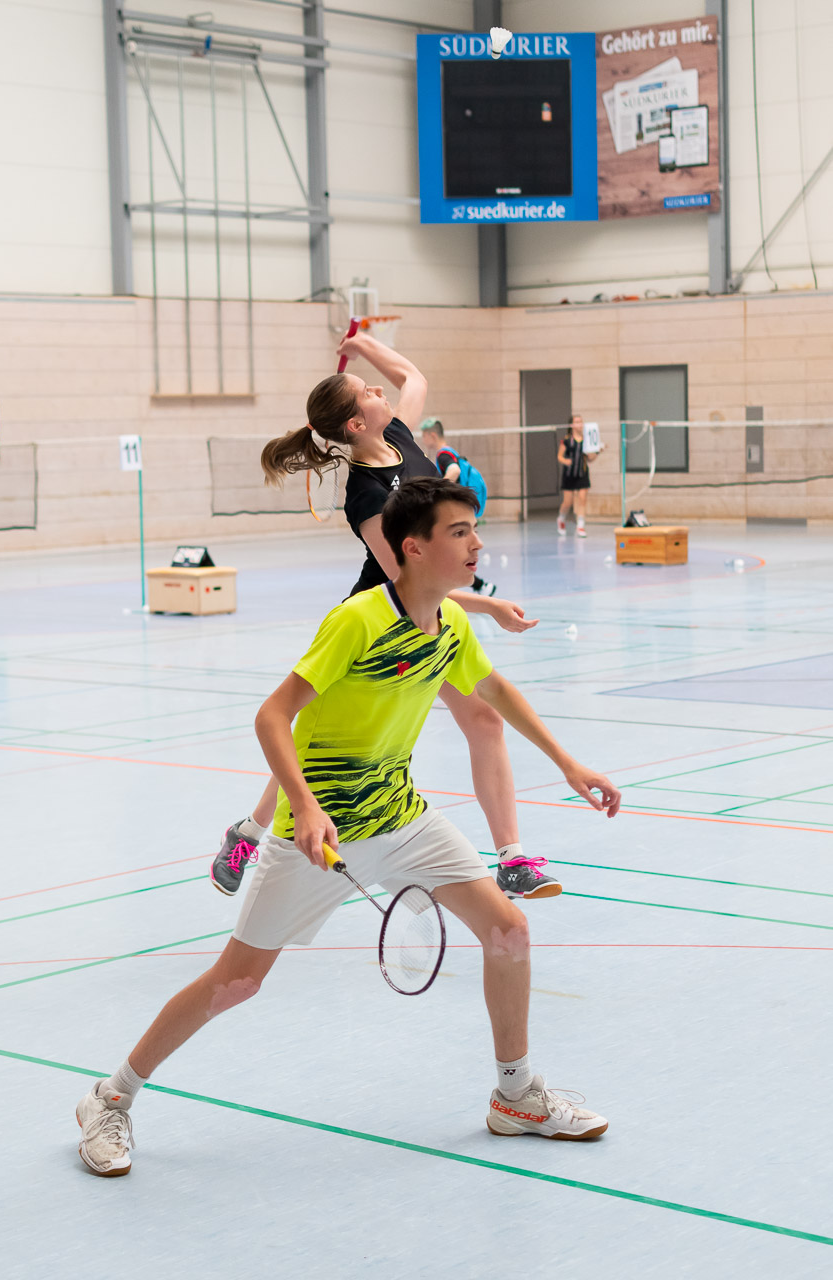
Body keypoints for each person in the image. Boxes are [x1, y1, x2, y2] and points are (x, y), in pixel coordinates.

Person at [75, 477, 621, 1178]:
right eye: (460, 532)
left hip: (403, 817)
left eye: (474, 530)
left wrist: (568, 764)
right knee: (236, 982)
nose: (477, 544)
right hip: (320, 835)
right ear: (414, 548)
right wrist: (303, 805)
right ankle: (109, 1097)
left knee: (508, 930)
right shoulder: (358, 621)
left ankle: (515, 1097)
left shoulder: (450, 625)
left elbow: (494, 690)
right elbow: (273, 715)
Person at [211, 328, 560, 903]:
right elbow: (404, 580)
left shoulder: (397, 433)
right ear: (355, 424)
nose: (380, 391)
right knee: (318, 742)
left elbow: (412, 377)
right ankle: (248, 834)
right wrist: (489, 605)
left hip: (432, 609)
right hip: (378, 622)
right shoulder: (367, 494)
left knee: (484, 721)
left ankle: (512, 859)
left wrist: (363, 342)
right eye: (367, 391)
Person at [420, 417, 493, 595]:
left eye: (424, 436)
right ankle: (480, 586)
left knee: (450, 553)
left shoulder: (443, 454)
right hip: (459, 512)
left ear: (432, 435)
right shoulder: (450, 451)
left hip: (455, 513)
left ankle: (477, 586)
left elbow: (454, 471)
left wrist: (436, 492)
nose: (423, 440)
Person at [556, 415, 605, 539]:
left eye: (581, 421)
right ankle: (561, 519)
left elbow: (590, 459)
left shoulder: (586, 441)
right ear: (572, 425)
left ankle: (581, 526)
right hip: (569, 475)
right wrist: (565, 461)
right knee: (568, 502)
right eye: (577, 422)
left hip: (582, 473)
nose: (580, 424)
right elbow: (559, 456)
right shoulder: (566, 440)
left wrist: (598, 451)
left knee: (582, 499)